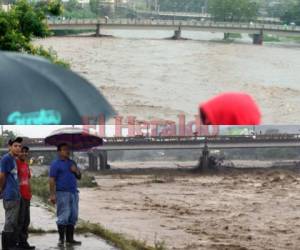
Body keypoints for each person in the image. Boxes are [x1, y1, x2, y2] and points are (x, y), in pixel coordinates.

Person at [49, 143, 82, 246]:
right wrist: (52, 195)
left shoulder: (72, 162)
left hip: (74, 193)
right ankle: (61, 239)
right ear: (59, 152)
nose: (67, 151)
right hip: (62, 193)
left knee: (73, 216)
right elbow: (51, 180)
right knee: (64, 215)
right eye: (64, 149)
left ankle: (70, 239)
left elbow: (79, 177)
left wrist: (75, 170)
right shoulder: (55, 164)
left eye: (68, 149)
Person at [0, 137, 22, 250]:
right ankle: (7, 247)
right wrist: (1, 190)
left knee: (13, 221)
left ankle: (11, 245)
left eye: (19, 146)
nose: (18, 148)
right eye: (15, 146)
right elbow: (2, 176)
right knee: (9, 221)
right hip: (9, 195)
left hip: (15, 194)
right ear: (10, 147)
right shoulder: (6, 159)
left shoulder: (14, 159)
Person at [16, 146, 35, 249]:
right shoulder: (16, 163)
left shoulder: (26, 165)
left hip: (27, 196)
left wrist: (30, 193)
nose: (24, 153)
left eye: (26, 152)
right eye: (22, 152)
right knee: (20, 220)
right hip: (19, 197)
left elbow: (28, 180)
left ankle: (24, 243)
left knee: (26, 220)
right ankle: (18, 243)